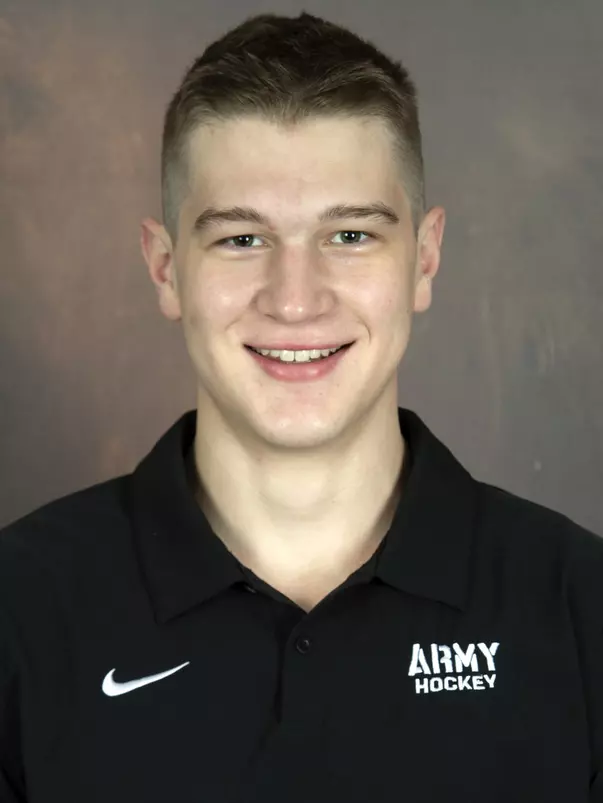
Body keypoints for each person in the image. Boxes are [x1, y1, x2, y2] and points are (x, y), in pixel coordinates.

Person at [1, 10, 601, 803]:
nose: (295, 300)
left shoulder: (578, 608)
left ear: (424, 258)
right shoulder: (20, 612)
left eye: (349, 235)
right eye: (241, 240)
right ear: (163, 267)